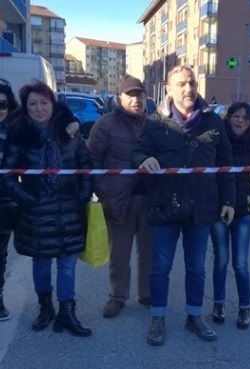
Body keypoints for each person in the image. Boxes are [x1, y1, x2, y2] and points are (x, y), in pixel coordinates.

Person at [132, 65, 235, 346]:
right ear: (168, 88)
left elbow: (225, 163)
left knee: (196, 267)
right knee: (160, 266)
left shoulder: (213, 122)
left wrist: (228, 200)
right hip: (165, 206)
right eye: (180, 84)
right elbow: (137, 151)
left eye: (191, 83)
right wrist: (142, 160)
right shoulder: (154, 122)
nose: (187, 89)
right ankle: (158, 318)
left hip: (202, 208)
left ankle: (194, 317)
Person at [1, 82, 92, 336]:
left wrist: (84, 194)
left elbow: (86, 167)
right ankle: (45, 308)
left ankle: (67, 311)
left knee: (67, 265)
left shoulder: (70, 132)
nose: (39, 108)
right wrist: (27, 198)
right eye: (33, 104)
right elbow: (7, 176)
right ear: (25, 108)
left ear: (53, 103)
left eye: (44, 102)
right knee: (41, 264)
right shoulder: (20, 136)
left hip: (69, 211)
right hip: (36, 214)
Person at [86, 75, 152, 318]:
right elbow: (91, 163)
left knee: (148, 251)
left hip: (149, 200)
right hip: (118, 200)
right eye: (130, 95)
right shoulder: (105, 124)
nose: (136, 100)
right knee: (119, 254)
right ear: (119, 98)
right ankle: (117, 297)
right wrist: (105, 193)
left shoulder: (154, 124)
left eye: (140, 95)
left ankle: (146, 293)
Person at [210, 102, 250, 329]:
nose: (240, 120)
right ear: (229, 119)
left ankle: (245, 308)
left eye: (245, 118)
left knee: (240, 264)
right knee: (221, 260)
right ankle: (218, 304)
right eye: (236, 116)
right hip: (219, 212)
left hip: (244, 212)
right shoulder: (219, 143)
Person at [0, 78, 20, 321]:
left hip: (4, 201)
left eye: (2, 104)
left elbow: (46, 118)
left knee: (0, 254)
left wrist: (68, 120)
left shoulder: (16, 131)